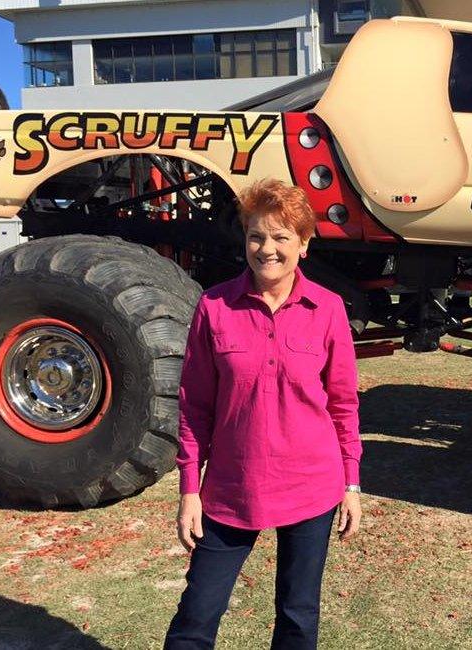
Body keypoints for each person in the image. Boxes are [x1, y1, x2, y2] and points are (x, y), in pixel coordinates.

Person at [164, 178, 362, 650]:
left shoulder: (328, 309)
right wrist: (190, 489)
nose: (266, 249)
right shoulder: (214, 307)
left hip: (311, 486)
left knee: (297, 617)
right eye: (256, 236)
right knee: (196, 617)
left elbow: (343, 403)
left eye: (281, 237)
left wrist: (351, 483)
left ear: (304, 245)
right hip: (233, 487)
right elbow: (194, 404)